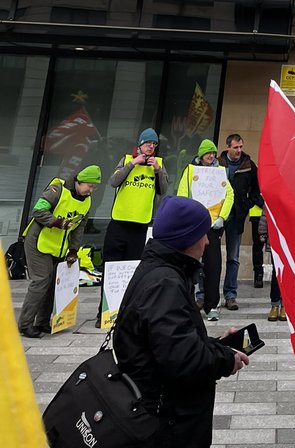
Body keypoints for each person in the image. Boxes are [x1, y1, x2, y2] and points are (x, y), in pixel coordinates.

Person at [114, 195, 249, 448]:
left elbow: (167, 340)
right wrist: (226, 359)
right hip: (166, 419)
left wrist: (217, 345)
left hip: (163, 410)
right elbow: (182, 359)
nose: (207, 241)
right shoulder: (165, 283)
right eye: (202, 234)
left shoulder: (160, 270)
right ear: (186, 239)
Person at [17, 165, 101, 338]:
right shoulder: (57, 190)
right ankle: (25, 324)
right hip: (38, 241)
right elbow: (38, 210)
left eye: (94, 187)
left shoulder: (87, 200)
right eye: (89, 186)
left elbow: (79, 227)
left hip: (58, 247)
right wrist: (57, 222)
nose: (91, 191)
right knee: (41, 281)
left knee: (52, 284)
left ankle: (42, 322)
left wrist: (73, 250)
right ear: (78, 182)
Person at [96, 127, 168, 327]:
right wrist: (132, 163)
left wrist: (158, 170)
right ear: (140, 145)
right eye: (147, 144)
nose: (150, 148)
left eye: (154, 144)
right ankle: (103, 312)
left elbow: (163, 190)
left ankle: (125, 313)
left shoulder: (159, 164)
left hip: (140, 225)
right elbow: (113, 181)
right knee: (111, 268)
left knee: (131, 271)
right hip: (119, 222)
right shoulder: (127, 159)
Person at [176, 138, 234, 322]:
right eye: (208, 153)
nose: (211, 156)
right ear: (201, 155)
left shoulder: (220, 171)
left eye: (213, 153)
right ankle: (187, 303)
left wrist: (222, 218)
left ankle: (212, 306)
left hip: (212, 226)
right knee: (188, 265)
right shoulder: (190, 170)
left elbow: (229, 195)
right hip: (194, 226)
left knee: (213, 266)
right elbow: (182, 194)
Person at [218, 133, 261, 311]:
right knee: (209, 256)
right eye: (236, 147)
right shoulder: (218, 164)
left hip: (236, 216)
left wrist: (246, 205)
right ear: (228, 146)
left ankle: (230, 295)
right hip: (218, 214)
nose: (239, 150)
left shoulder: (248, 165)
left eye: (241, 147)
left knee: (233, 258)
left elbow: (257, 189)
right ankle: (203, 295)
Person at [248, 201, 264, 288]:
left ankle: (276, 276)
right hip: (257, 213)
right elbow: (253, 193)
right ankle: (258, 275)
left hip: (274, 211)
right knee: (257, 246)